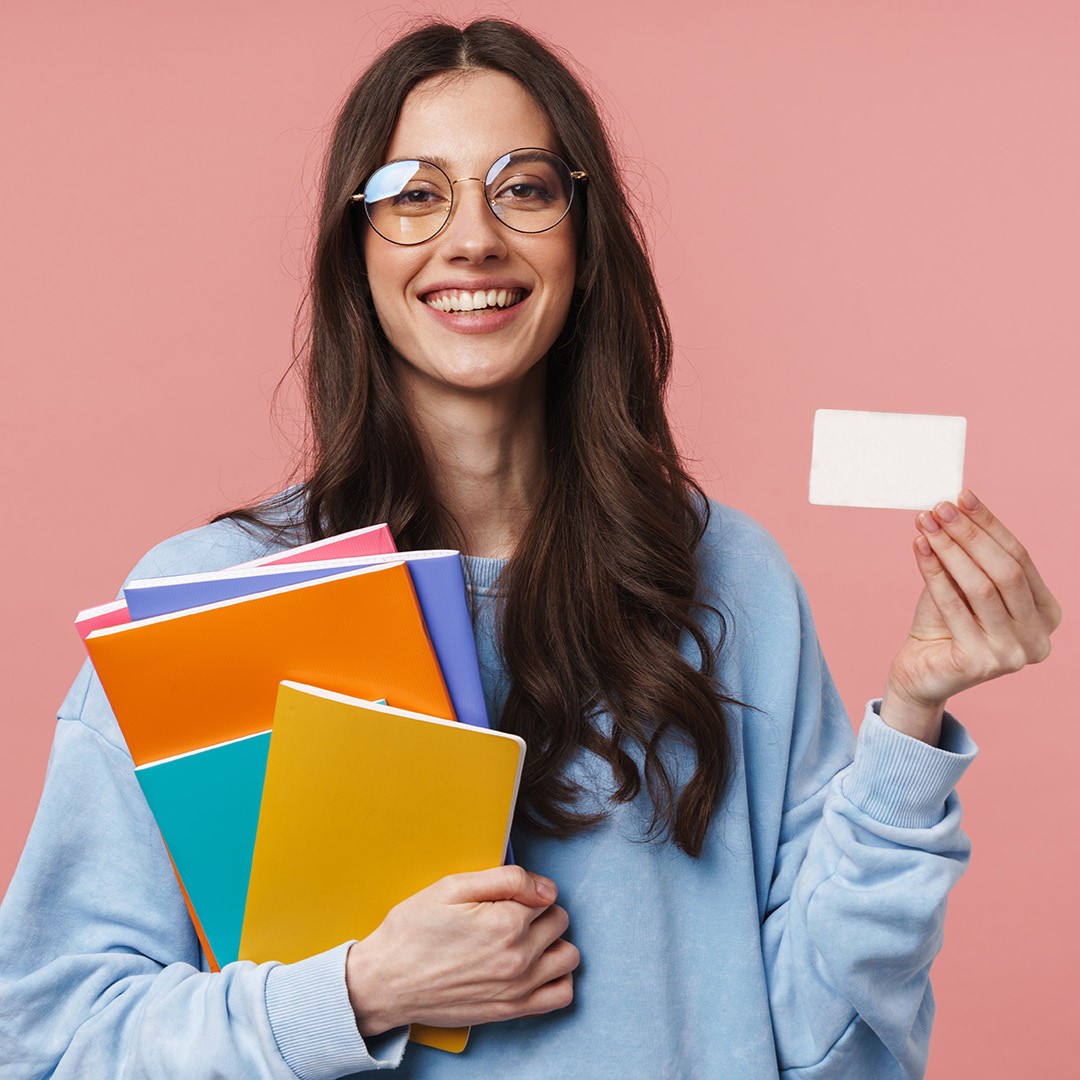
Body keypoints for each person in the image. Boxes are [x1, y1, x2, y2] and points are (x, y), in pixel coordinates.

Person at [0, 19, 1059, 1080]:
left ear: (584, 242)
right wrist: (361, 991)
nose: (472, 239)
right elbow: (46, 1041)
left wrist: (912, 724)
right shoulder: (209, 600)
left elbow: (826, 1049)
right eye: (415, 192)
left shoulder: (732, 581)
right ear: (353, 251)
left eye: (525, 188)